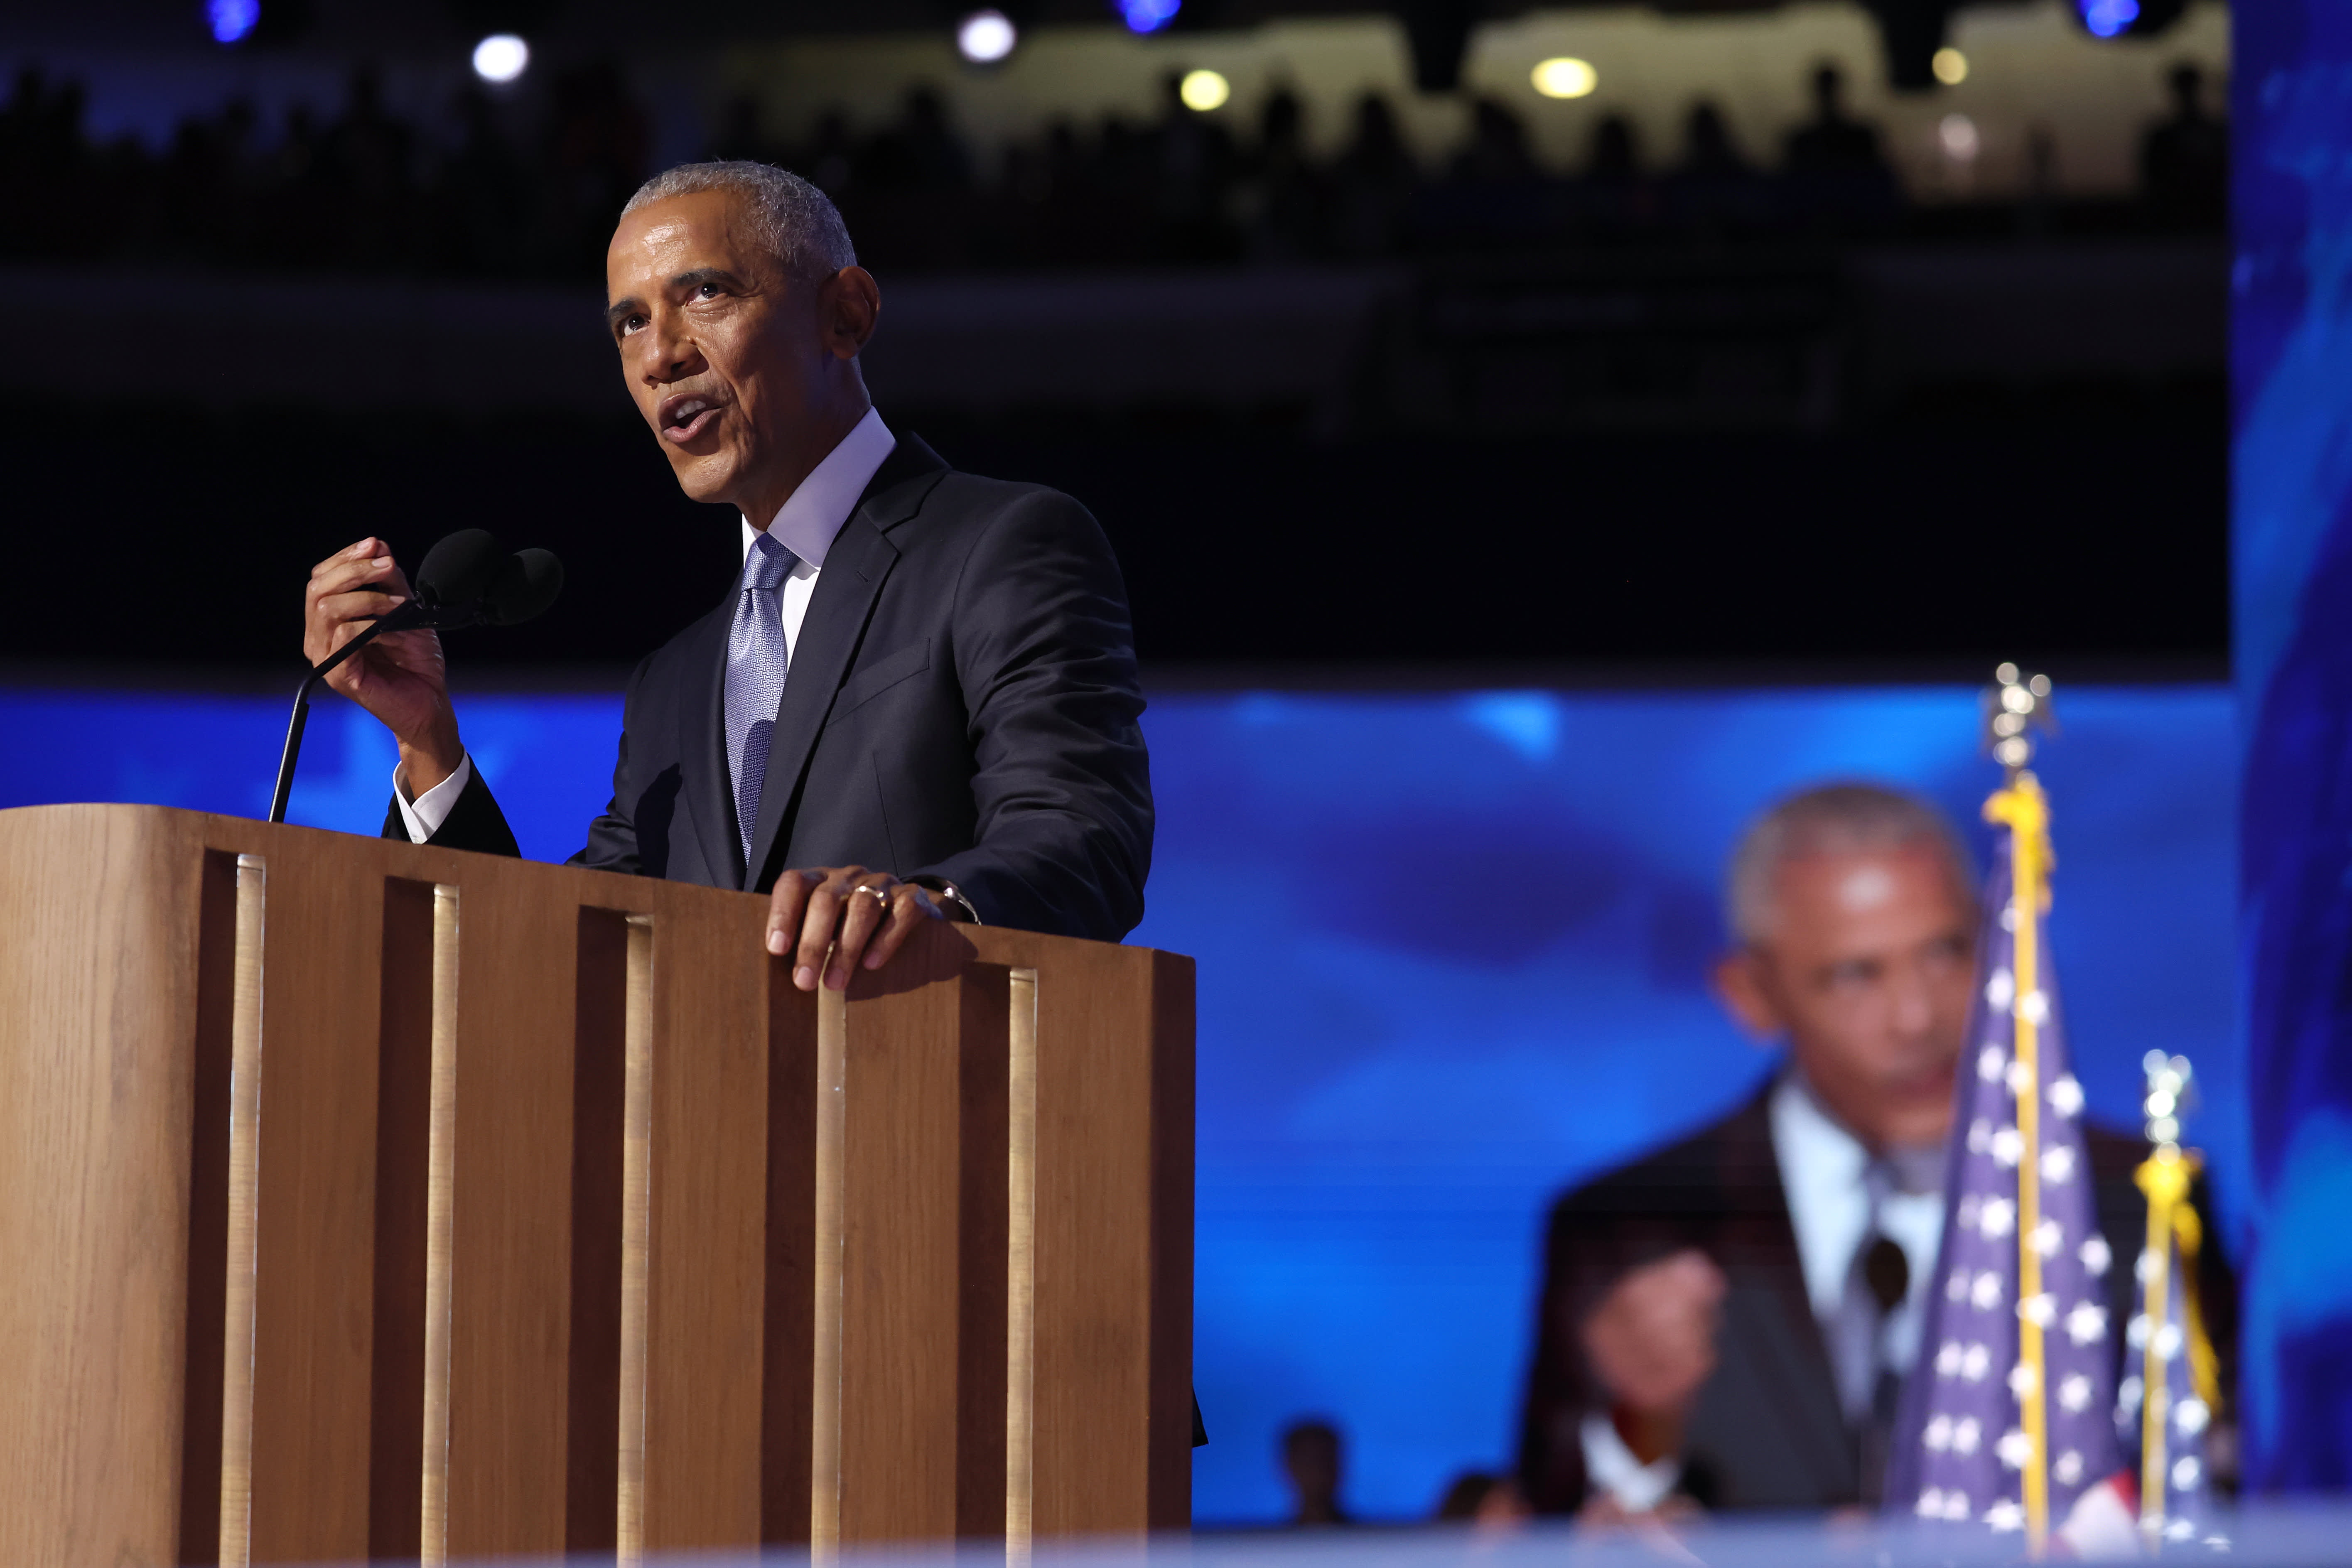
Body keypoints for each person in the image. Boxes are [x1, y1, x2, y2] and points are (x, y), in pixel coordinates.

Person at [301, 160, 1154, 986]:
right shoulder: (675, 681)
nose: (658, 354)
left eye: (703, 294)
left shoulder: (1001, 545)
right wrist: (426, 743)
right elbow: (551, 955)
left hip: (923, 1104)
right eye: (629, 321)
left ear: (845, 317)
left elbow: (1083, 835)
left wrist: (931, 908)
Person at [1515, 784, 2233, 1515]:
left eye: (1947, 953)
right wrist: (1640, 1429)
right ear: (1751, 995)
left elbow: (2235, 1499)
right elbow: (1536, 1528)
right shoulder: (1630, 1228)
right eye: (1856, 975)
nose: (1916, 1018)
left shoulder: (2137, 1198)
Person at [1278, 1418, 1349, 1526]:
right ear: (1290, 1466)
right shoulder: (1267, 1540)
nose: (1319, 1471)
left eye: (1326, 1460)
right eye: (1308, 1461)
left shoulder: (1369, 1538)